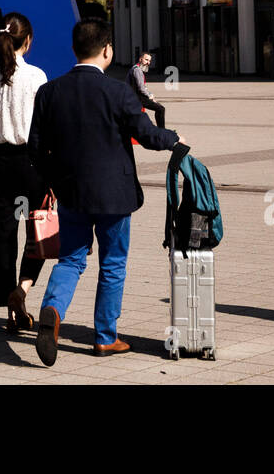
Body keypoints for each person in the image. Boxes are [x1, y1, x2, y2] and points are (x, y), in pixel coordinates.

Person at [28, 19, 181, 366]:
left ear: (74, 49)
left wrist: (54, 181)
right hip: (114, 194)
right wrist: (174, 139)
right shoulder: (118, 92)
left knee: (70, 259)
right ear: (108, 50)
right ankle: (105, 337)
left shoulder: (49, 92)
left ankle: (52, 310)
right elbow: (145, 134)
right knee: (112, 263)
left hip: (71, 193)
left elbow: (35, 148)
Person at [0, 12, 49, 334]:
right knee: (38, 235)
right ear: (27, 40)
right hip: (30, 166)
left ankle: (10, 311)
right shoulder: (37, 77)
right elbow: (46, 133)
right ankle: (23, 289)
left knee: (6, 239)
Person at [126, 52, 166, 129]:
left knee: (157, 108)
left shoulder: (134, 68)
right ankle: (162, 130)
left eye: (149, 61)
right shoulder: (137, 70)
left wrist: (150, 95)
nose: (148, 63)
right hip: (137, 98)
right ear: (140, 59)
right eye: (146, 60)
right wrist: (150, 96)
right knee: (161, 109)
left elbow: (142, 86)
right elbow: (141, 88)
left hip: (134, 96)